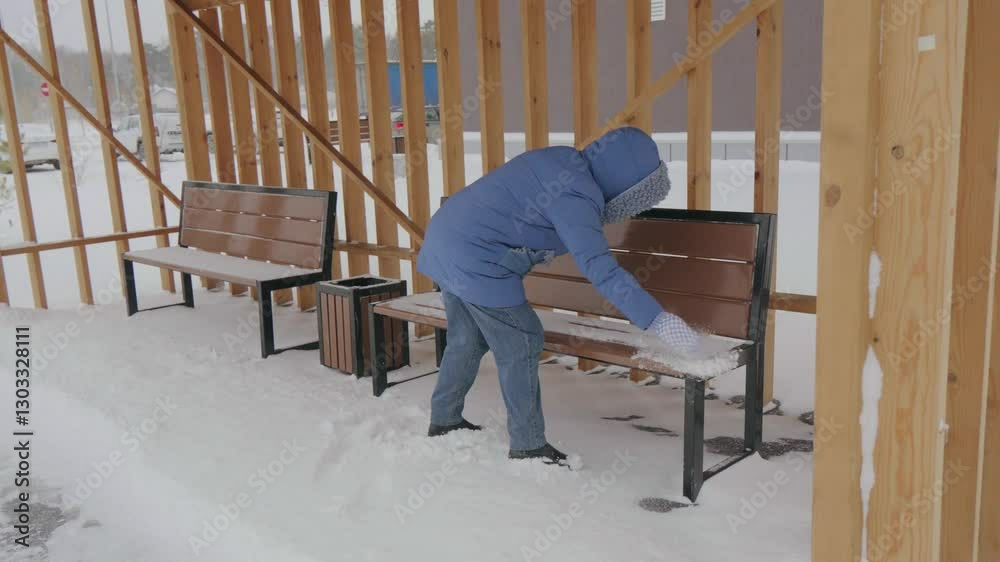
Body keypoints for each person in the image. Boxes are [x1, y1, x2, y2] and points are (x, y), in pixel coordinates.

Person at [415, 126, 702, 465]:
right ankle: (528, 445)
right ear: (625, 187)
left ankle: (445, 418)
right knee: (522, 339)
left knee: (467, 339)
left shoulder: (563, 162)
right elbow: (600, 267)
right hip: (476, 259)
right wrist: (657, 320)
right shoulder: (576, 195)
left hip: (446, 242)